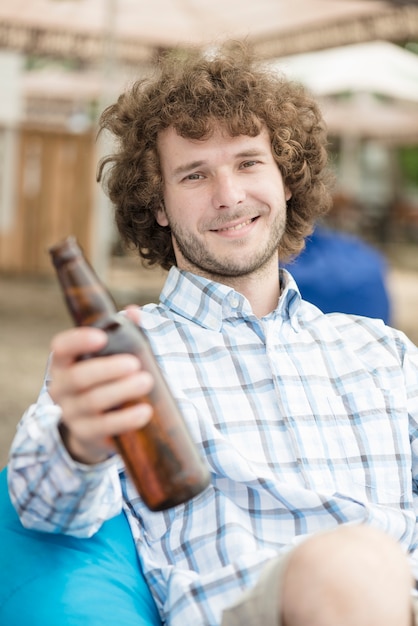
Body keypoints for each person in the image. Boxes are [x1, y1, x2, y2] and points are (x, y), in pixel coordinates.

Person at [7, 42, 418, 626]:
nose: (228, 195)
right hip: (249, 606)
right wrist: (80, 439)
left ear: (286, 179)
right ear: (159, 207)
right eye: (195, 174)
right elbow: (42, 508)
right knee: (348, 564)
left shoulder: (384, 351)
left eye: (249, 163)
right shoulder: (129, 357)